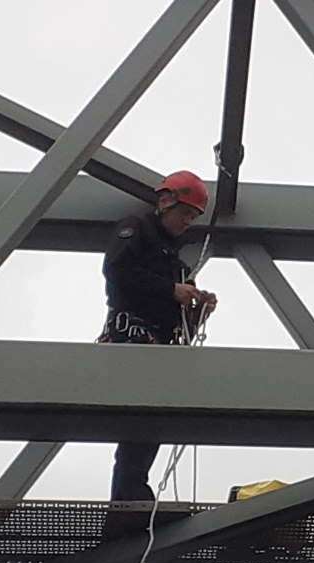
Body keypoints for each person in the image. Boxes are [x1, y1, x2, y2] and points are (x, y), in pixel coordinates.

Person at [98, 170, 218, 501]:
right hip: (131, 338)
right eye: (185, 214)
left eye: (193, 217)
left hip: (156, 344)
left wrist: (197, 311)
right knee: (140, 421)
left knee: (148, 424)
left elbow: (178, 323)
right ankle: (129, 496)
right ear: (166, 202)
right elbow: (117, 270)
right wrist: (171, 289)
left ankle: (131, 496)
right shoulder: (136, 229)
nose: (187, 223)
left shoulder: (176, 264)